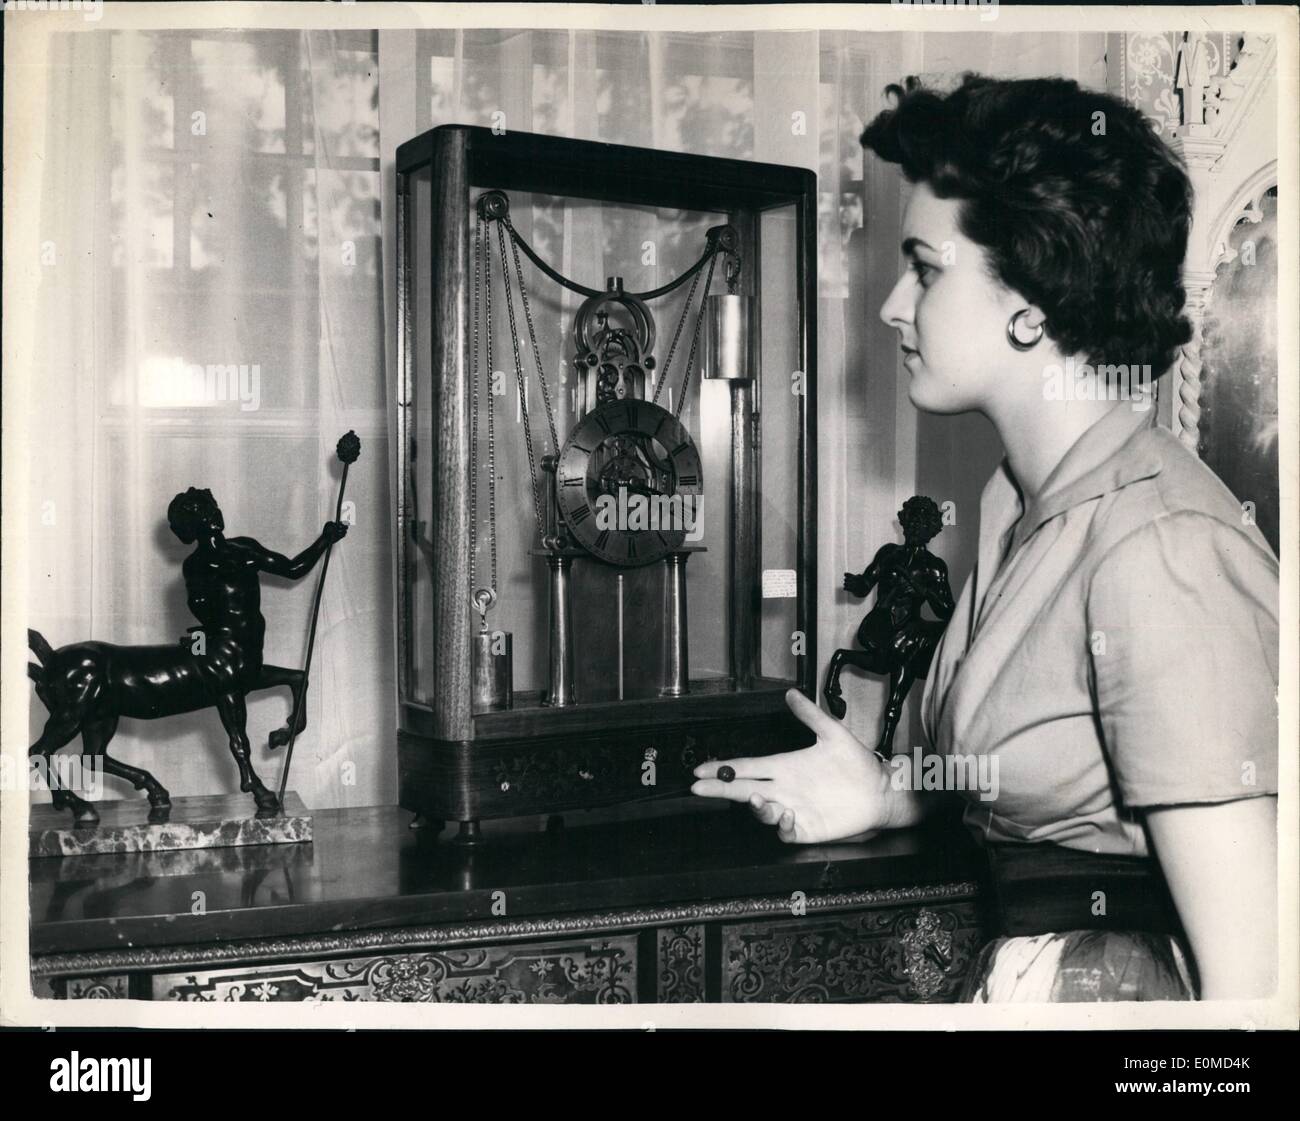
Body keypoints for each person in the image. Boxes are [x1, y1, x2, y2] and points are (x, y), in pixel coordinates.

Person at [692, 75, 1279, 1001]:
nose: (892, 304)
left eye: (924, 269)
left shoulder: (1162, 547)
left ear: (1033, 303)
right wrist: (885, 794)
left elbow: (1257, 988)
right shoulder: (1014, 500)